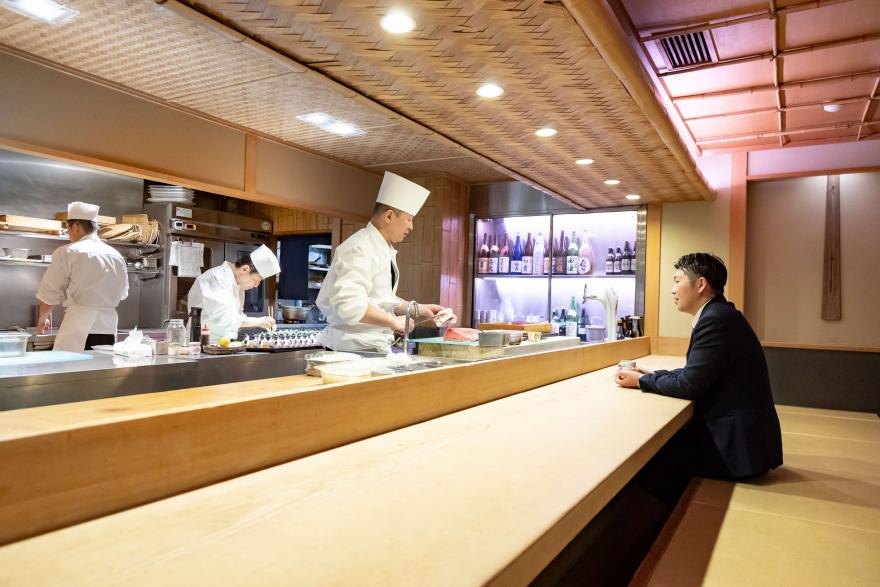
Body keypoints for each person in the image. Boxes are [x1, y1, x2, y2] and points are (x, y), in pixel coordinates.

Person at [614, 252, 783, 507]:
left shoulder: (716, 319)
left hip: (738, 448)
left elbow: (690, 385)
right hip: (742, 437)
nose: (672, 290)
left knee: (644, 461)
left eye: (677, 281)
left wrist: (640, 382)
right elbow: (694, 373)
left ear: (700, 284)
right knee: (657, 450)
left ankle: (666, 523)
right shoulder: (720, 314)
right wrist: (651, 376)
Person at [317, 172, 455, 352]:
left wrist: (419, 309)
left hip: (370, 349)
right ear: (389, 216)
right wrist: (393, 322)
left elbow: (379, 299)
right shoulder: (358, 248)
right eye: (409, 219)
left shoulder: (382, 249)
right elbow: (350, 305)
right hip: (350, 350)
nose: (411, 226)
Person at [36, 201, 129, 352]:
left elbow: (50, 292)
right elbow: (123, 293)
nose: (68, 233)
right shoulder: (116, 256)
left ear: (77, 226)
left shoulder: (67, 252)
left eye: (68, 228)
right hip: (108, 328)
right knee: (100, 366)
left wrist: (42, 318)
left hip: (79, 326)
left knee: (71, 366)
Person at [187, 244, 280, 344]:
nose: (257, 285)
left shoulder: (238, 286)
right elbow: (224, 318)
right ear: (245, 269)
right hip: (202, 344)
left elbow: (236, 317)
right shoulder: (217, 277)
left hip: (223, 344)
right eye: (257, 279)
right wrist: (259, 321)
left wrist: (261, 322)